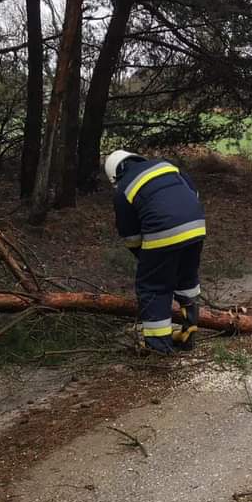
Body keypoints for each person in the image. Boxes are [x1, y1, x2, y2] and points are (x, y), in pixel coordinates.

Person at [106, 150, 206, 355]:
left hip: (164, 231)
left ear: (115, 176)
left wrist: (146, 259)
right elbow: (193, 193)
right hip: (197, 225)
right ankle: (190, 328)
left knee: (153, 287)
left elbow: (131, 235)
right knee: (186, 277)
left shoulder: (123, 189)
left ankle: (159, 346)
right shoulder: (166, 165)